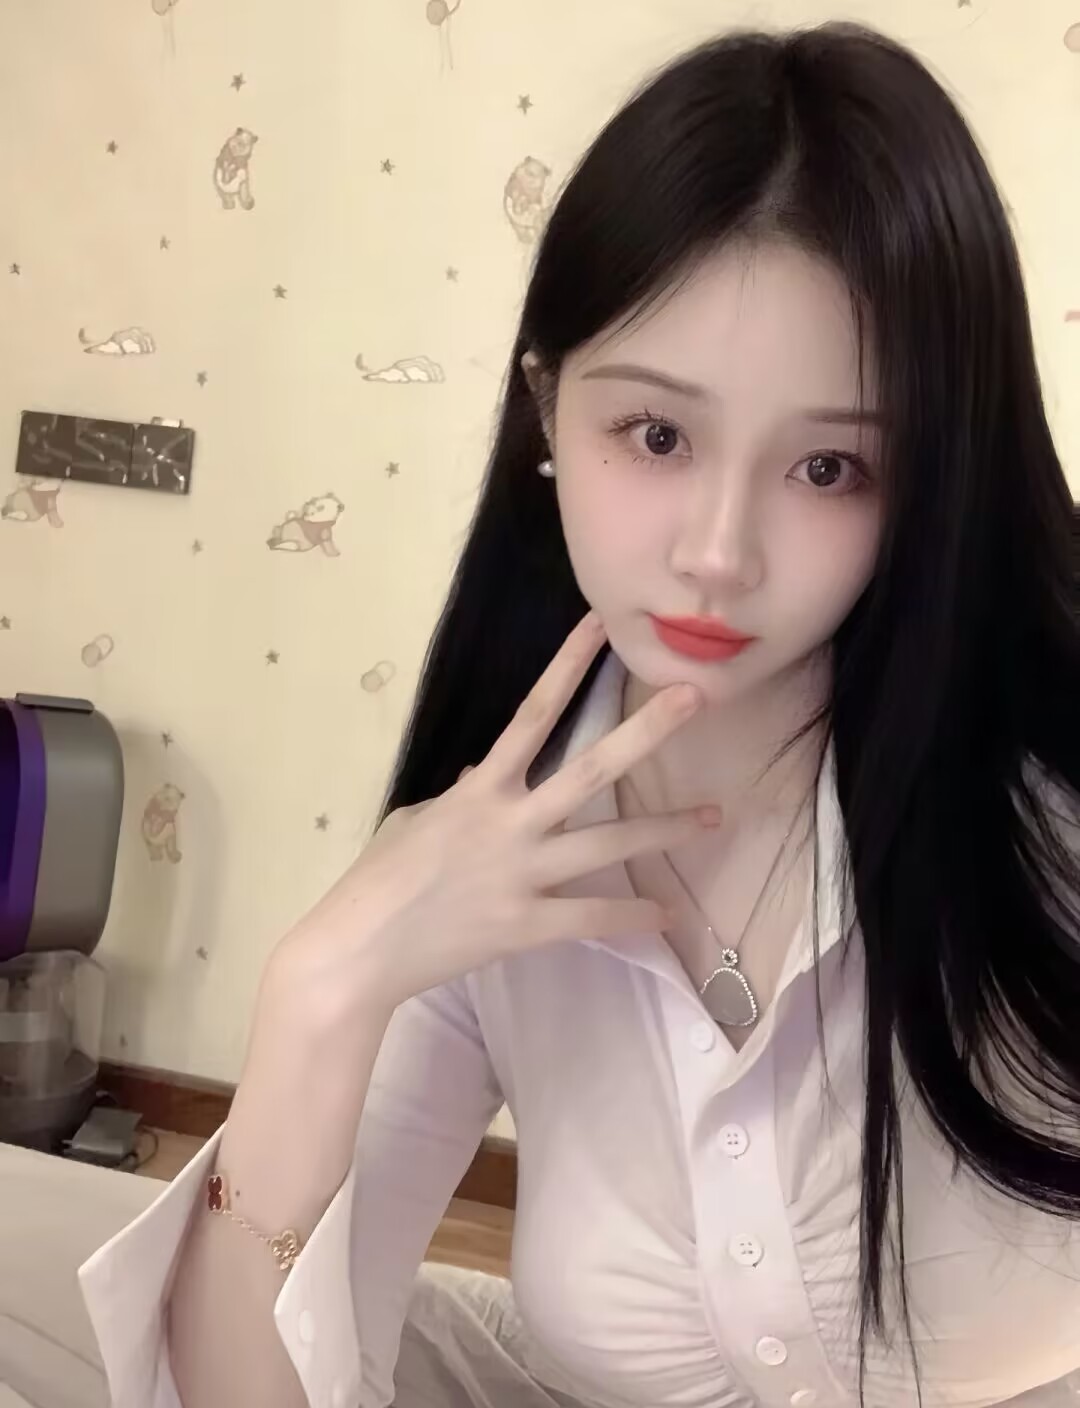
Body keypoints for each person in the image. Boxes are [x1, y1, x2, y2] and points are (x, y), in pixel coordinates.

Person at [79, 19, 1080, 1408]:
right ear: (547, 412)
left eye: (829, 467)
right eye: (657, 436)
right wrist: (317, 999)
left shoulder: (1044, 813)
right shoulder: (489, 854)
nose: (718, 552)